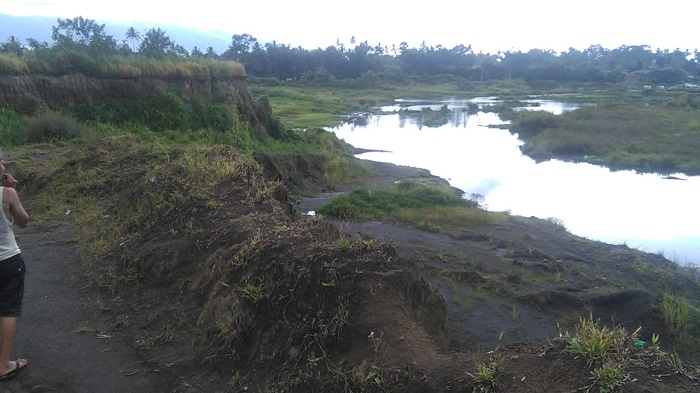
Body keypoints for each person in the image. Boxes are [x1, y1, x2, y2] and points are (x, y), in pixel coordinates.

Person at [0, 153, 30, 381]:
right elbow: (23, 221)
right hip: (8, 261)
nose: (3, 166)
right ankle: (3, 365)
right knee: (8, 310)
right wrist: (12, 190)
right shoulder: (7, 194)